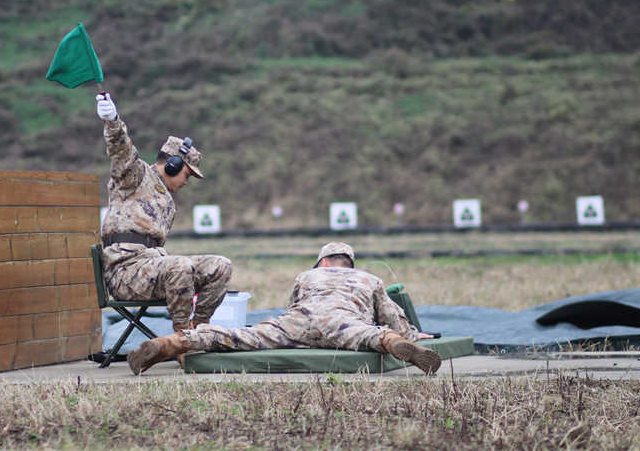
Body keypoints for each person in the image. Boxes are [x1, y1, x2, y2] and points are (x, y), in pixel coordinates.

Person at [127, 241, 442, 375]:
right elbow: (390, 314)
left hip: (297, 321)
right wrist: (410, 334)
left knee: (239, 336)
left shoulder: (307, 275)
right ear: (349, 264)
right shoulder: (369, 278)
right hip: (343, 322)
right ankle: (399, 347)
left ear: (322, 262)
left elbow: (293, 306)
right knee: (376, 336)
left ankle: (170, 343)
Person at [95, 92, 232, 338]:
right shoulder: (135, 177)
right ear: (173, 165)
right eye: (187, 175)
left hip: (152, 269)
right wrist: (113, 121)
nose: (186, 182)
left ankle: (199, 330)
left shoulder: (165, 197)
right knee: (180, 265)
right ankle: (182, 339)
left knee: (220, 266)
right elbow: (122, 153)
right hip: (125, 273)